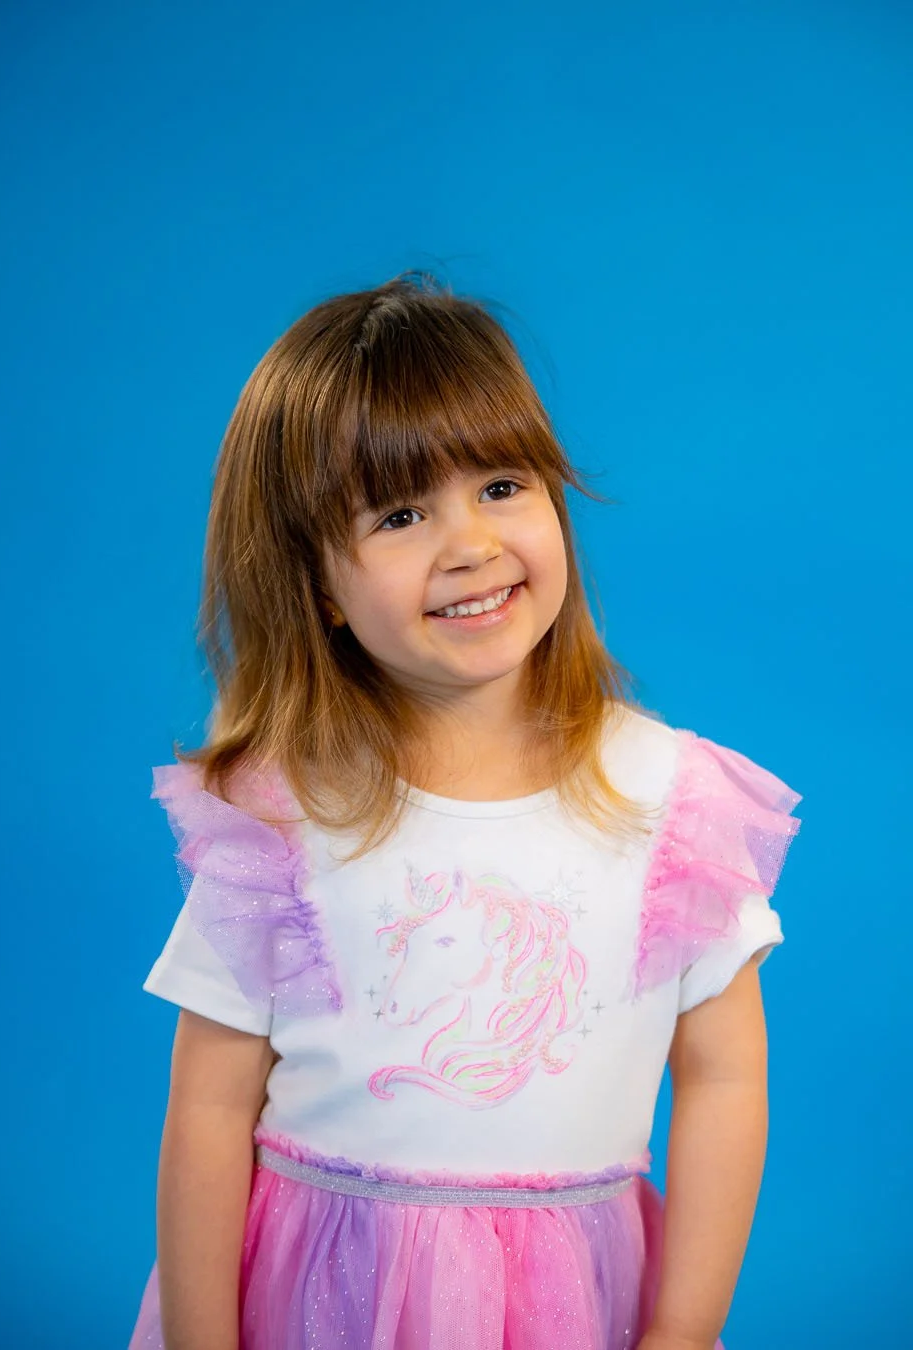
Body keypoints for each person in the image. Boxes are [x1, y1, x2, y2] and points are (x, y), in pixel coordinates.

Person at [127, 273, 801, 1350]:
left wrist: (684, 1331)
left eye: (501, 486)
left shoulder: (670, 801)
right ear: (318, 590)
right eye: (399, 513)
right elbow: (208, 1109)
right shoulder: (284, 821)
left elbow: (723, 1074)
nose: (470, 545)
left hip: (575, 1300)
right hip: (326, 1297)